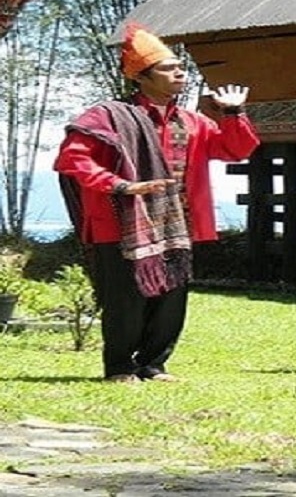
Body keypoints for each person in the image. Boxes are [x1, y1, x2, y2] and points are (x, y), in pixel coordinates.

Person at [54, 24, 260, 383]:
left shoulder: (194, 121)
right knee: (125, 299)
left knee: (171, 298)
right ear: (141, 77)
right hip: (119, 222)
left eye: (181, 66)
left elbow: (236, 149)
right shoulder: (108, 116)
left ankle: (153, 364)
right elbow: (73, 159)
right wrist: (118, 185)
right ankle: (119, 366)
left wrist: (233, 114)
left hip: (177, 224)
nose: (180, 72)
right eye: (168, 67)